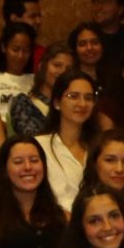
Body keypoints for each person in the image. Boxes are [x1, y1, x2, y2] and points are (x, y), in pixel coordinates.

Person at [0, 135, 69, 248]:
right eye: (18, 162)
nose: (27, 167)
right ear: (4, 169)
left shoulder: (63, 217)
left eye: (34, 160)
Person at [36, 71, 103, 212]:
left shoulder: (101, 147)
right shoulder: (38, 146)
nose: (82, 104)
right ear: (57, 102)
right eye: (74, 96)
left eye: (89, 98)